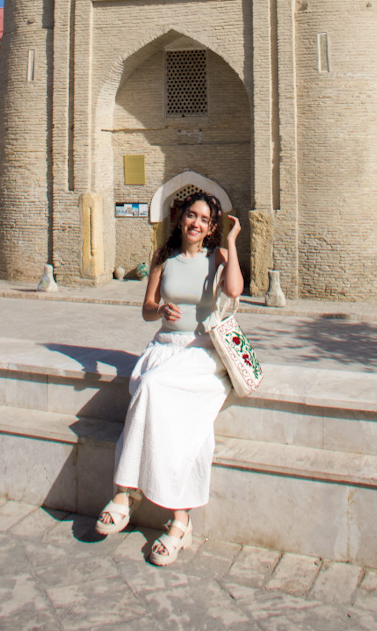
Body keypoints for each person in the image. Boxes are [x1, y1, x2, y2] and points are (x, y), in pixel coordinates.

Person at [95, 192, 244, 565]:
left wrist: (230, 243)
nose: (196, 223)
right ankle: (180, 521)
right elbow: (147, 310)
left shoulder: (218, 257)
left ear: (211, 227)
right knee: (161, 398)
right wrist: (159, 308)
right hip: (164, 350)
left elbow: (235, 291)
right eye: (191, 215)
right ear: (180, 218)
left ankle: (124, 493)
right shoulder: (163, 258)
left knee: (153, 387)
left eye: (204, 220)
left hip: (201, 355)